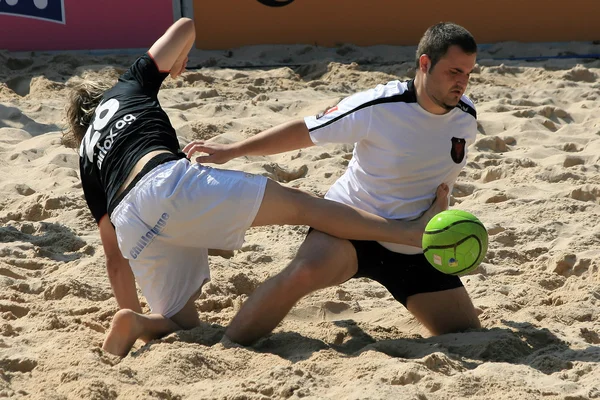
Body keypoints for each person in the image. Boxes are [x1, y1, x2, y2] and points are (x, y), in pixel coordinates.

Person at [65, 18, 448, 357]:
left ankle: (136, 323)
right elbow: (185, 26)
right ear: (104, 92)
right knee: (303, 207)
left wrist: (126, 304)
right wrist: (178, 61)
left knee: (180, 323)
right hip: (166, 183)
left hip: (131, 219)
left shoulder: (86, 154)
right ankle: (406, 233)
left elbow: (114, 256)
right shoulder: (128, 84)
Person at [183, 22, 482, 345]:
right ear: (425, 64)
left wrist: (441, 211)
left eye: (468, 74)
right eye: (454, 72)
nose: (462, 83)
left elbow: (437, 179)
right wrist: (234, 150)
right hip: (350, 226)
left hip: (413, 244)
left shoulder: (465, 118)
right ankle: (228, 348)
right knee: (302, 273)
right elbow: (306, 131)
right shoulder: (380, 106)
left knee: (465, 333)